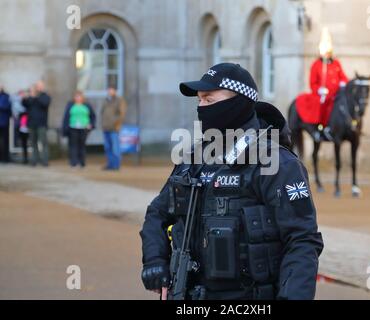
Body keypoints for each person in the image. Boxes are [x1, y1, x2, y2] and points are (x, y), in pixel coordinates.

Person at [140, 63, 323, 300]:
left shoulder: (277, 162)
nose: (202, 108)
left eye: (209, 100)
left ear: (239, 102)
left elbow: (302, 240)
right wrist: (154, 259)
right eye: (199, 102)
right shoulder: (194, 158)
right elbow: (157, 212)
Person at [296, 27, 348, 142]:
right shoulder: (316, 65)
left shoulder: (336, 63)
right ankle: (319, 129)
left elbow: (343, 77)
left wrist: (343, 83)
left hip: (336, 95)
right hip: (322, 95)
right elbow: (312, 83)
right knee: (319, 106)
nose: (327, 54)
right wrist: (319, 90)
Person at [62, 91, 96, 168]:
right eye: (76, 96)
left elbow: (92, 116)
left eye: (79, 96)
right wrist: (65, 128)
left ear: (82, 97)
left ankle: (82, 162)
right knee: (73, 145)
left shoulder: (87, 105)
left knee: (82, 145)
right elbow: (66, 117)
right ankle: (73, 162)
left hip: (83, 128)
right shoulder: (71, 105)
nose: (78, 98)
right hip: (73, 128)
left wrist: (91, 125)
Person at [22, 81, 52, 166]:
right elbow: (25, 104)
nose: (38, 88)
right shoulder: (31, 97)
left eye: (40, 86)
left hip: (41, 124)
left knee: (43, 143)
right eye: (37, 86)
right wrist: (25, 97)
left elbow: (45, 104)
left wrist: (36, 96)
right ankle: (34, 160)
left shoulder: (45, 96)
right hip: (31, 123)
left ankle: (45, 161)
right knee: (33, 143)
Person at [101, 87, 127, 170]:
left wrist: (117, 124)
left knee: (115, 148)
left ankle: (116, 165)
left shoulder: (119, 100)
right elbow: (102, 112)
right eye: (108, 90)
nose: (110, 91)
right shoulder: (106, 100)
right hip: (106, 127)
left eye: (111, 90)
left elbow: (122, 114)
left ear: (115, 91)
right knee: (107, 147)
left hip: (114, 128)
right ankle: (110, 164)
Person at [0, 85, 12, 163]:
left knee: (5, 141)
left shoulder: (6, 96)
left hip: (4, 122)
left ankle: (5, 158)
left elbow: (3, 106)